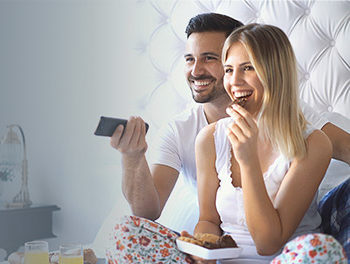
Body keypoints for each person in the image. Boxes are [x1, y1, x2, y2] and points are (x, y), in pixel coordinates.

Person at [110, 12, 350, 230]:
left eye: (208, 58)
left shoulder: (290, 114)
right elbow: (147, 212)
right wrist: (133, 158)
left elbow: (341, 146)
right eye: (190, 59)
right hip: (226, 236)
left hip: (286, 237)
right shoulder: (184, 130)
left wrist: (248, 159)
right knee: (124, 231)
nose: (196, 70)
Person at [192, 23, 346, 263]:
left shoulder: (313, 143)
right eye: (229, 70)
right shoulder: (209, 139)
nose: (234, 81)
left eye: (248, 68)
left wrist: (248, 161)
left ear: (276, 72)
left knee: (319, 248)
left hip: (291, 258)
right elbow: (209, 220)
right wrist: (202, 249)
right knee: (128, 231)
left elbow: (267, 243)